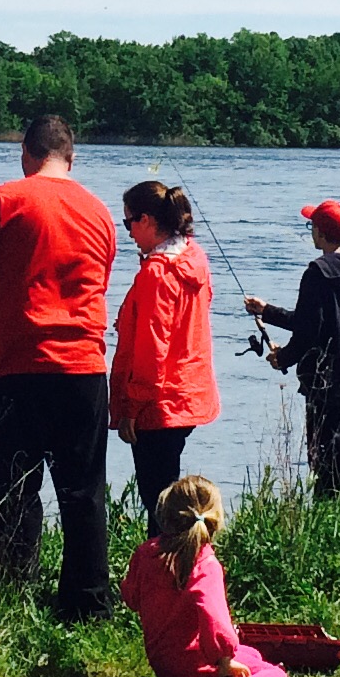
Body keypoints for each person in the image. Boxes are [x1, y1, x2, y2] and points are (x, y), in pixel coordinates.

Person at [0, 115, 120, 620]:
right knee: (83, 492)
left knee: (11, 487)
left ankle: (13, 595)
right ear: (71, 158)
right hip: (83, 368)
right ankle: (88, 605)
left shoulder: (5, 199)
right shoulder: (100, 213)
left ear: (25, 152)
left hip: (17, 367)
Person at [118, 475, 287, 677]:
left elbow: (132, 598)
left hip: (164, 667)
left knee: (252, 653)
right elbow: (215, 622)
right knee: (275, 673)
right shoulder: (205, 563)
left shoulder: (146, 554)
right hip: (198, 668)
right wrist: (225, 663)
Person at [111, 180, 218, 519]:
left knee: (158, 506)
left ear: (148, 221)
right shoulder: (194, 257)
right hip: (188, 393)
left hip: (158, 405)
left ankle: (172, 567)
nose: (127, 232)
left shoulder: (156, 275)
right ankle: (183, 561)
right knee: (169, 495)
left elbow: (152, 348)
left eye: (129, 222)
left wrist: (131, 407)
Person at [248, 199, 340, 498]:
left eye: (312, 226)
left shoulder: (315, 273)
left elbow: (308, 331)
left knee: (323, 453)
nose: (310, 231)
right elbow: (320, 322)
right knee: (338, 445)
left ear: (320, 231)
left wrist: (283, 358)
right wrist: (268, 311)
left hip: (324, 378)